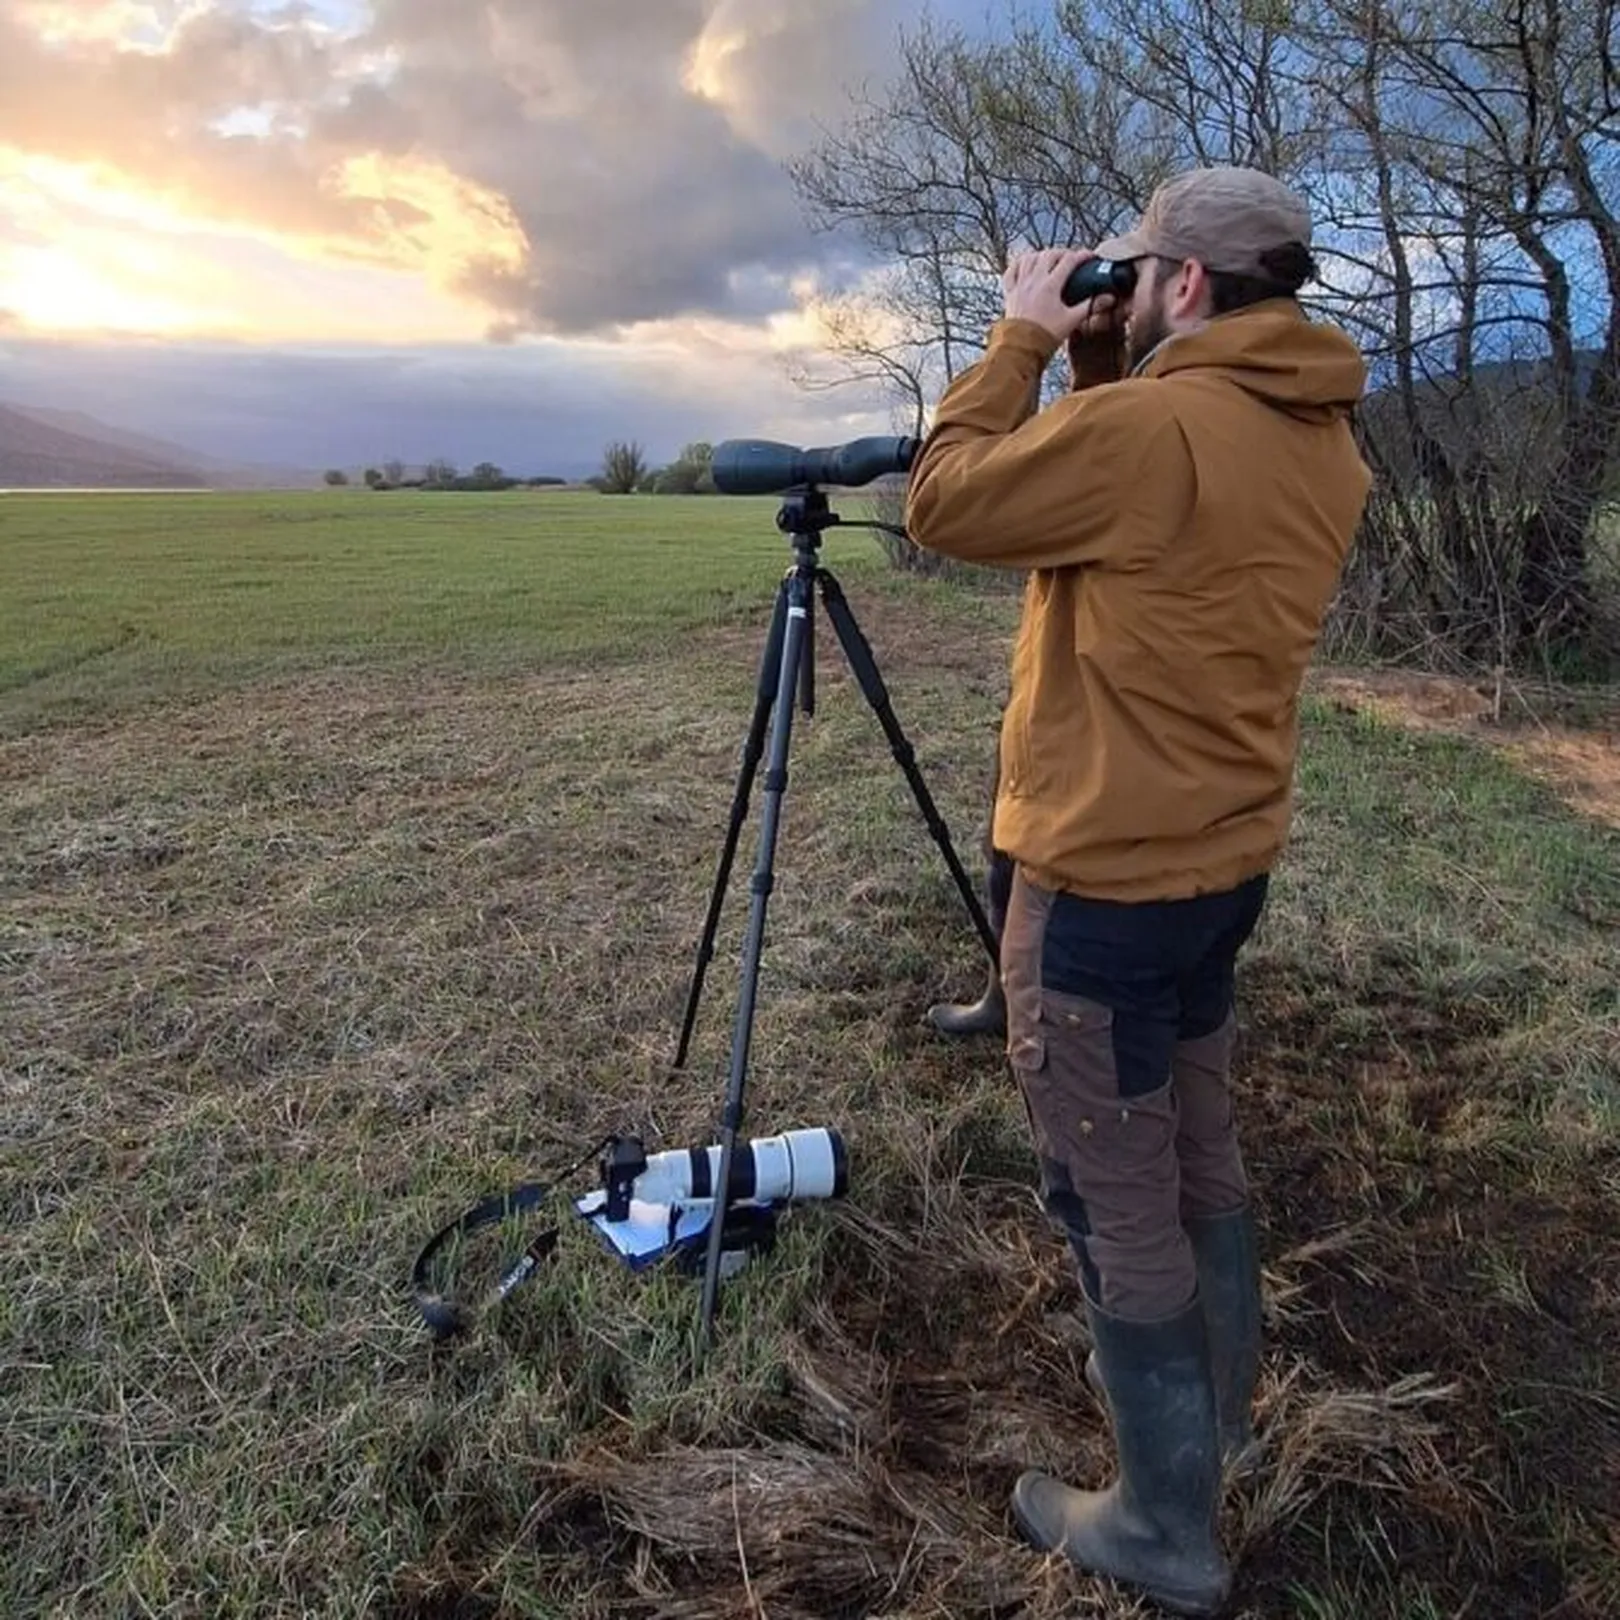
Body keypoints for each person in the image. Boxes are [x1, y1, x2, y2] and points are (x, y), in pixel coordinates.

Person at [904, 166, 1373, 1617]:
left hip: (1103, 885)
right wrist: (1108, 359)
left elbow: (948, 502)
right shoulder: (1321, 437)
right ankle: (1223, 1424)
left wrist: (1026, 341)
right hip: (1221, 865)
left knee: (1115, 1197)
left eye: (1142, 271)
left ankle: (1167, 1525)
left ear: (1181, 287)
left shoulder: (1156, 428)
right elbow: (1142, 506)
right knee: (1193, 1150)